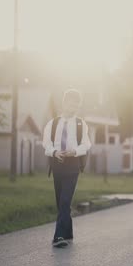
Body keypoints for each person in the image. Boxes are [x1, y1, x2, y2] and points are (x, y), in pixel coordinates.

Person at [42, 89, 91, 248]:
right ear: (64, 103)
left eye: (77, 104)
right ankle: (68, 231)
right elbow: (46, 145)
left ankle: (59, 236)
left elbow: (86, 144)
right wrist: (55, 152)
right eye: (71, 103)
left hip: (73, 165)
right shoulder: (53, 123)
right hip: (57, 164)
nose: (74, 106)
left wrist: (75, 151)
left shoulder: (80, 124)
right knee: (61, 202)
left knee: (65, 200)